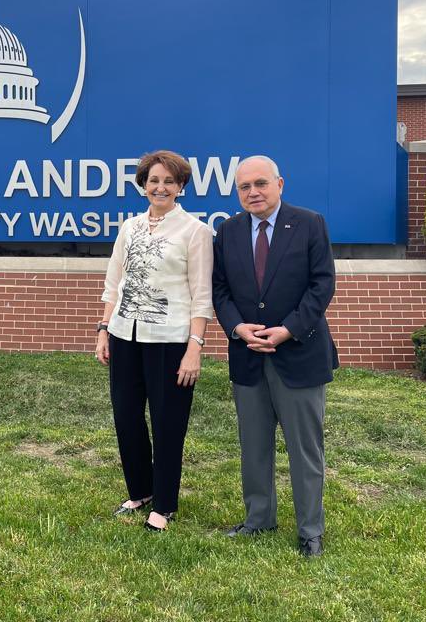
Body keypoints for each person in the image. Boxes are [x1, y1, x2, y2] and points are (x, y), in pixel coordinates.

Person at [211, 155, 337, 558]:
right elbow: (220, 290)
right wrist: (236, 328)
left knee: (305, 448)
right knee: (254, 444)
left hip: (298, 353)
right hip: (248, 355)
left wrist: (288, 330)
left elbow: (322, 285)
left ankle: (310, 531)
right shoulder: (227, 232)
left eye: (261, 184)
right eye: (245, 186)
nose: (254, 192)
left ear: (280, 184)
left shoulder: (309, 223)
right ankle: (259, 519)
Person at [95, 150, 213, 532]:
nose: (160, 187)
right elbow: (114, 282)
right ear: (143, 184)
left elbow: (201, 295)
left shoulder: (195, 232)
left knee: (167, 423)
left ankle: (164, 504)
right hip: (124, 336)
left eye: (169, 181)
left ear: (180, 187)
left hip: (171, 340)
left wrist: (194, 347)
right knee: (126, 417)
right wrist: (103, 328)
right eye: (153, 180)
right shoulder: (129, 227)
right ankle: (140, 491)